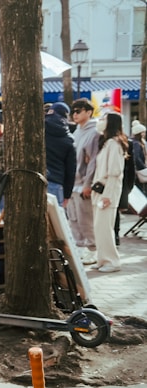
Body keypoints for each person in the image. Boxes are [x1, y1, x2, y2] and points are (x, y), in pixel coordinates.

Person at [90, 112, 127, 273]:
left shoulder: (114, 144)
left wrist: (108, 196)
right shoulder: (107, 143)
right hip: (100, 190)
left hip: (107, 191)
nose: (101, 121)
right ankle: (102, 259)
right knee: (99, 227)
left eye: (104, 119)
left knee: (104, 227)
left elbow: (115, 172)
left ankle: (112, 261)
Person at [67, 98, 99, 265]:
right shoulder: (76, 131)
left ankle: (93, 249)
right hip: (73, 182)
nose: (75, 114)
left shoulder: (94, 132)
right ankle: (80, 247)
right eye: (74, 111)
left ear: (88, 112)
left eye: (79, 111)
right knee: (74, 218)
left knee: (86, 219)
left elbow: (93, 160)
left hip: (83, 183)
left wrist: (88, 184)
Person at [44, 102, 76, 207]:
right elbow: (71, 170)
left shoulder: (40, 128)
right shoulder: (69, 139)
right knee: (55, 221)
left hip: (36, 178)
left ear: (51, 111)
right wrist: (67, 195)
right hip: (56, 182)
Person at [132, 120, 147, 194]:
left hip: (139, 170)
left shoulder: (139, 142)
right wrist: (144, 168)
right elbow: (137, 158)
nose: (144, 134)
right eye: (143, 132)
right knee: (141, 188)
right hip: (139, 170)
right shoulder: (136, 144)